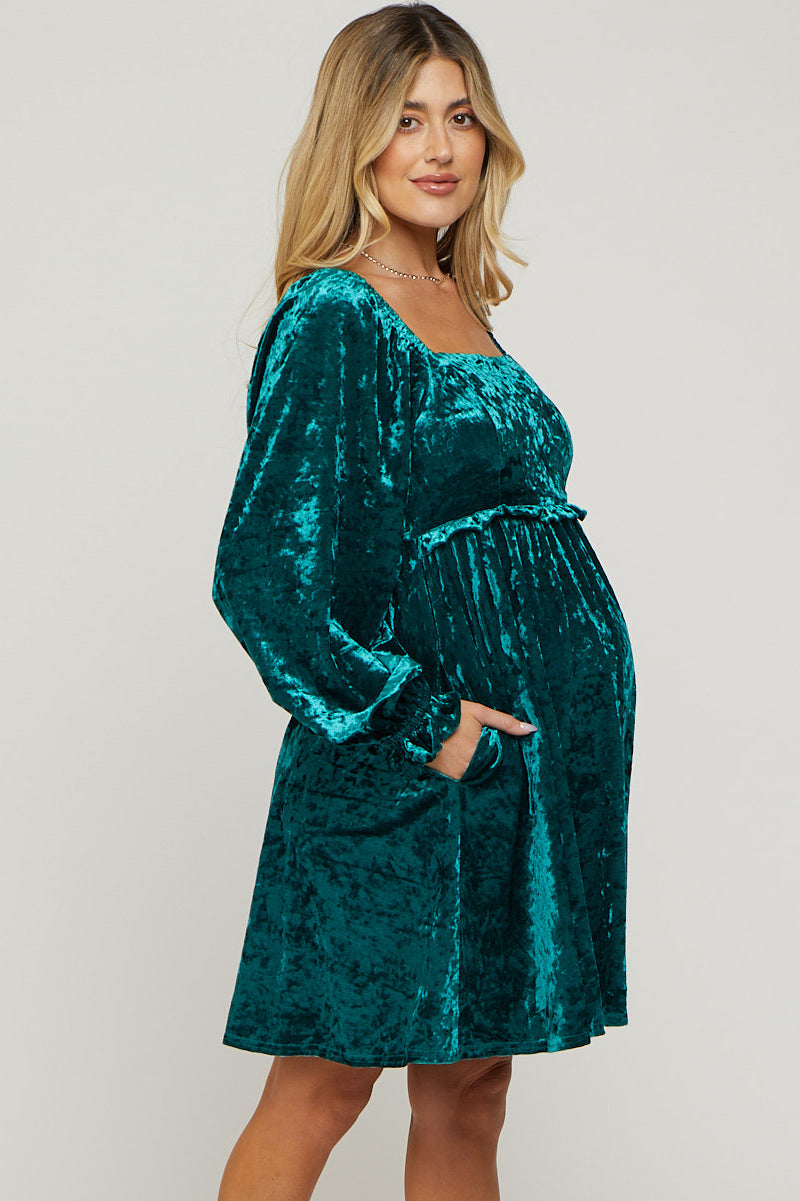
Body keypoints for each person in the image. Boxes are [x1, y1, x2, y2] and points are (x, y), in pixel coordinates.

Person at [210, 5, 636, 1199]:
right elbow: (263, 572)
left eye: (460, 116)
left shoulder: (455, 297)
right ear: (354, 136)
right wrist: (422, 721)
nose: (439, 147)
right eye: (405, 120)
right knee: (324, 1081)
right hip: (410, 760)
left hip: (517, 769)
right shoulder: (336, 312)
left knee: (470, 1084)